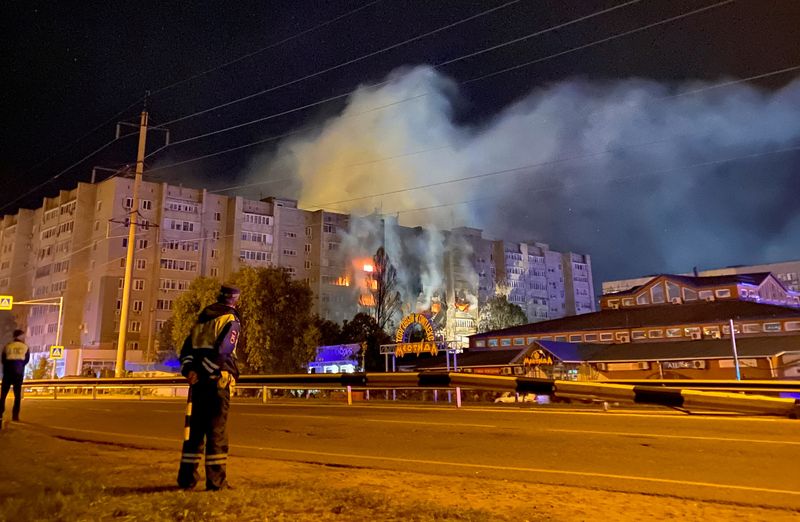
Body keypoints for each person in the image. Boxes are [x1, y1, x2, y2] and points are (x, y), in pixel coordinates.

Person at [177, 285, 241, 491]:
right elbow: (224, 350)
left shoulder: (201, 319)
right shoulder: (230, 319)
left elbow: (186, 349)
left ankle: (187, 479)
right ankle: (216, 482)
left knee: (194, 433)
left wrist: (190, 371)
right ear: (234, 300)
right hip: (216, 381)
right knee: (216, 432)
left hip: (197, 383)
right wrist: (205, 372)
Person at [1, 329, 30, 425]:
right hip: (18, 373)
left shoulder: (8, 346)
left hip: (8, 372)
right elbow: (26, 360)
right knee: (17, 396)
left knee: (3, 395)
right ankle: (15, 415)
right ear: (20, 336)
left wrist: (8, 366)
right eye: (23, 335)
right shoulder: (25, 347)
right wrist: (20, 366)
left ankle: (0, 413)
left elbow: (3, 359)